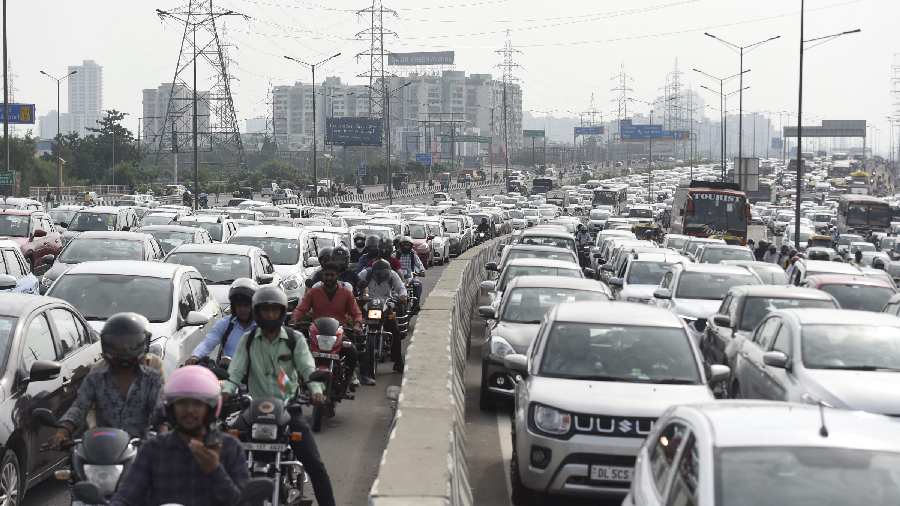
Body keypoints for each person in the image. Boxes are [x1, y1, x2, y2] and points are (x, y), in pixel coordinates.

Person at [226, 286, 336, 506]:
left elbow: (307, 369)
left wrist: (316, 392)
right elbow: (235, 373)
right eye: (265, 310)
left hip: (288, 409)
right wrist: (223, 393)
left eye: (274, 311)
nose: (269, 315)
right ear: (257, 312)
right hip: (253, 410)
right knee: (222, 454)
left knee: (315, 464)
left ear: (281, 312)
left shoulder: (295, 339)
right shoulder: (248, 341)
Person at [110, 366, 248, 506]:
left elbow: (244, 503)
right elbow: (127, 496)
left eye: (197, 403)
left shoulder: (230, 448)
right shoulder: (153, 449)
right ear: (171, 408)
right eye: (182, 403)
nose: (189, 410)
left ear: (210, 408)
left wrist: (215, 470)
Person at [50, 313, 163, 448]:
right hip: (103, 450)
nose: (124, 350)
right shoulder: (96, 378)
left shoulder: (151, 379)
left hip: (142, 451)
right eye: (118, 345)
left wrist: (163, 436)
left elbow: (161, 412)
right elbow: (79, 407)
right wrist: (63, 431)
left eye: (129, 345)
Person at [292, 263, 365, 384]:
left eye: (332, 275)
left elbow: (356, 312)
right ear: (322, 276)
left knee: (352, 351)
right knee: (297, 348)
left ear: (337, 276)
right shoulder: (313, 292)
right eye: (326, 275)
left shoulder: (346, 293)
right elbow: (301, 309)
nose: (329, 278)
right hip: (316, 332)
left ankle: (349, 376)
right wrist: (294, 319)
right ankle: (297, 378)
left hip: (339, 331)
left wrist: (357, 324)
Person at [186, 278, 258, 368]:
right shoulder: (226, 324)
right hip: (228, 376)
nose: (242, 309)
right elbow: (208, 343)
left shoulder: (263, 327)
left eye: (246, 305)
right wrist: (195, 356)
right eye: (239, 305)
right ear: (233, 306)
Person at [359, 259, 408, 374]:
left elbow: (401, 287)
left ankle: (398, 362)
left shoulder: (393, 275)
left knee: (395, 332)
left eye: (384, 273)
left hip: (386, 305)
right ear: (373, 271)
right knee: (355, 328)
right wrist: (358, 294)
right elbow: (354, 283)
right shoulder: (365, 273)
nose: (381, 275)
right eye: (378, 273)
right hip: (368, 305)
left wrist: (403, 296)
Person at [394, 236, 426, 301]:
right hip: (397, 277)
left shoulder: (413, 254)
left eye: (408, 245)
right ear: (400, 245)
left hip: (410, 276)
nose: (406, 247)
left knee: (417, 284)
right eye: (404, 245)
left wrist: (422, 271)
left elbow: (419, 264)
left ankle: (416, 303)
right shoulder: (395, 254)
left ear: (411, 246)